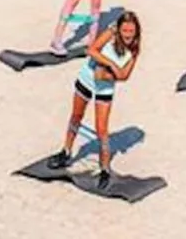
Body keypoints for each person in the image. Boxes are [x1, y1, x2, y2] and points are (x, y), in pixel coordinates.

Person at [45, 10, 142, 190]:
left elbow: (125, 75)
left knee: (102, 129)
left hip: (105, 87)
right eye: (125, 31)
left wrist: (105, 73)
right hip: (87, 78)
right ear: (119, 29)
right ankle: (66, 152)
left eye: (131, 32)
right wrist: (111, 65)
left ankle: (105, 168)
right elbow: (91, 50)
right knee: (76, 116)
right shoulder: (111, 33)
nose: (128, 35)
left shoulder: (134, 49)